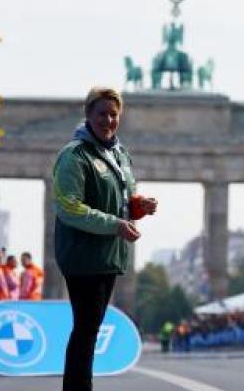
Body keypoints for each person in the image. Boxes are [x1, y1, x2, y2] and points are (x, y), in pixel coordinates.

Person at [53, 87, 158, 391]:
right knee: (86, 329)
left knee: (90, 329)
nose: (108, 120)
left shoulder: (119, 154)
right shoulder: (74, 155)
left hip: (108, 253)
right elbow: (69, 207)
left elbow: (122, 201)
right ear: (88, 114)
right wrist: (115, 224)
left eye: (114, 114)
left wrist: (138, 206)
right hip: (82, 253)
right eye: (101, 114)